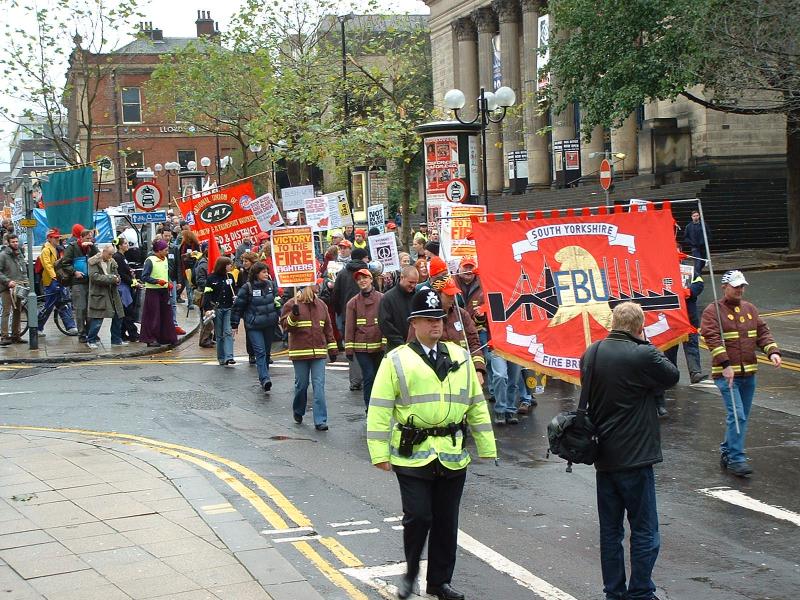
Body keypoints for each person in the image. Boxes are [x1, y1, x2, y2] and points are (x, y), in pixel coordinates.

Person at [367, 287, 497, 600]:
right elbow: (380, 408)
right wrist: (378, 453)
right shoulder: (396, 360)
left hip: (452, 453)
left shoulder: (459, 356)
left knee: (446, 522)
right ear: (414, 323)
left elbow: (475, 403)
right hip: (413, 455)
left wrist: (487, 445)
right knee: (419, 516)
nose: (436, 324)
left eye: (439, 318)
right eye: (428, 320)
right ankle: (411, 572)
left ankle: (439, 582)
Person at [584, 302, 679, 600]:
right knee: (644, 531)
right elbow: (672, 376)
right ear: (640, 327)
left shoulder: (593, 352)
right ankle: (640, 591)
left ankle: (614, 591)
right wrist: (646, 344)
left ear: (612, 323)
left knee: (610, 532)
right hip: (636, 457)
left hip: (604, 457)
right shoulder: (644, 354)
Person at [700, 270, 781, 477]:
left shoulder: (750, 309)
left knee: (741, 417)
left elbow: (762, 333)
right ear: (724, 287)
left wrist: (772, 351)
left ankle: (727, 451)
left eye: (742, 286)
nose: (740, 290)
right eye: (736, 286)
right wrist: (726, 365)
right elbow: (712, 338)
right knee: (738, 415)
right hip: (727, 374)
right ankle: (737, 458)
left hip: (749, 373)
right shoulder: (712, 311)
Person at [280, 282, 338, 430]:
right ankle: (298, 410)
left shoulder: (321, 305)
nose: (318, 285)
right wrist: (294, 315)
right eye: (315, 283)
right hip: (300, 352)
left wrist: (332, 349)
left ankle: (320, 420)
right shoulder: (291, 304)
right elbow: (286, 328)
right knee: (302, 385)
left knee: (319, 386)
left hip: (318, 352)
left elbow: (328, 328)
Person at [232, 262, 280, 393]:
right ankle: (265, 379)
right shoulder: (247, 288)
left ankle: (265, 375)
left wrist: (280, 315)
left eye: (267, 272)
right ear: (256, 273)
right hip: (254, 326)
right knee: (260, 351)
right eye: (263, 272)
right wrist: (234, 324)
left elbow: (277, 302)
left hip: (269, 324)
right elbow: (238, 307)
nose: (266, 274)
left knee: (267, 353)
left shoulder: (271, 285)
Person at [344, 268, 384, 411]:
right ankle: (370, 408)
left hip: (379, 346)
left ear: (371, 279)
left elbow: (386, 322)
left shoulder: (382, 298)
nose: (362, 281)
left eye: (364, 278)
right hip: (362, 348)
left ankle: (380, 406)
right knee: (369, 376)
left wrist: (385, 343)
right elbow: (349, 327)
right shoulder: (352, 303)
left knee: (379, 378)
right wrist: (349, 348)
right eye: (359, 279)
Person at [333, 247, 370, 391]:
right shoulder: (368, 274)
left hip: (347, 317)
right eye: (366, 257)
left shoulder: (342, 274)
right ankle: (368, 376)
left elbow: (335, 295)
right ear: (362, 258)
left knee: (351, 346)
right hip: (368, 316)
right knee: (368, 346)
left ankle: (355, 380)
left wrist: (339, 312)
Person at [37, 228, 79, 336]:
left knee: (64, 302)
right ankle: (37, 327)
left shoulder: (57, 249)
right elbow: (48, 266)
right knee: (49, 306)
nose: (57, 239)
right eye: (55, 238)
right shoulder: (46, 250)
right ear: (49, 238)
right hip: (51, 281)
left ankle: (71, 326)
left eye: (57, 237)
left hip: (58, 280)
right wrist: (54, 277)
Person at [61, 225, 98, 341]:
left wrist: (93, 247)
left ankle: (91, 333)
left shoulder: (92, 247)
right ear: (81, 238)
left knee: (91, 309)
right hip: (78, 282)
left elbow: (99, 257)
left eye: (91, 238)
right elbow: (65, 263)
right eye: (87, 238)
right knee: (80, 308)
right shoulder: (72, 247)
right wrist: (74, 272)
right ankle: (81, 334)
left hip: (90, 281)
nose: (89, 240)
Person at [139, 240, 178, 348]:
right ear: (159, 250)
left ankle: (166, 337)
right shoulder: (150, 260)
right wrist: (156, 281)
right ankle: (151, 339)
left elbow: (165, 274)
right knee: (153, 315)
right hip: (153, 291)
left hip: (164, 290)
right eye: (165, 250)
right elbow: (144, 277)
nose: (167, 252)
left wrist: (168, 282)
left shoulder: (165, 259)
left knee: (166, 314)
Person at [85, 244, 124, 349]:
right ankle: (91, 340)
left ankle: (116, 339)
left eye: (112, 254)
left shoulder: (112, 261)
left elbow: (117, 275)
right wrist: (112, 278)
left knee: (118, 316)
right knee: (98, 318)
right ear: (104, 251)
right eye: (109, 254)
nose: (110, 256)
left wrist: (117, 279)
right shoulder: (93, 261)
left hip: (112, 293)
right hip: (99, 294)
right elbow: (94, 277)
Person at [203, 256, 238, 366]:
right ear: (223, 266)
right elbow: (207, 294)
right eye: (229, 264)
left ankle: (229, 356)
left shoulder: (231, 277)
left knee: (228, 331)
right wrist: (207, 309)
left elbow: (235, 291)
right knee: (219, 334)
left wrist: (236, 298)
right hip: (217, 309)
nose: (231, 266)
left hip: (228, 308)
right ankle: (221, 357)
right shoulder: (211, 278)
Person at [379, 266, 419, 351]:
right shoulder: (388, 298)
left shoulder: (418, 296)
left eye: (415, 283)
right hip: (396, 347)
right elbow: (385, 323)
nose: (413, 286)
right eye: (411, 282)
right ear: (402, 277)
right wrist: (401, 343)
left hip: (417, 346)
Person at [0, 234, 28, 345]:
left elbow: (23, 270)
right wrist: (8, 281)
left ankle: (16, 335)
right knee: (7, 311)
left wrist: (26, 281)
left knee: (18, 311)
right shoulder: (3, 255)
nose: (15, 243)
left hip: (19, 286)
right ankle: (4, 336)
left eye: (16, 241)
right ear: (8, 243)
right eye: (13, 242)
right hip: (6, 288)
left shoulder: (19, 254)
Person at [112, 237, 139, 343]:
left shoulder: (122, 256)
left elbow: (125, 270)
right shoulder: (118, 257)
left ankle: (123, 334)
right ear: (120, 246)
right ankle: (132, 333)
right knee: (127, 311)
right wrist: (132, 282)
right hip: (123, 288)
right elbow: (122, 273)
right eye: (125, 243)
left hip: (126, 287)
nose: (127, 245)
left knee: (126, 311)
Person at [683, 210, 710, 275]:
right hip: (695, 247)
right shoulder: (689, 226)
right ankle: (697, 276)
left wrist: (706, 241)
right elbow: (685, 237)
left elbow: (708, 234)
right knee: (698, 261)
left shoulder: (703, 224)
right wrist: (691, 243)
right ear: (691, 217)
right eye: (694, 216)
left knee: (703, 262)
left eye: (697, 215)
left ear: (699, 216)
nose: (696, 217)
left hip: (703, 247)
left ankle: (697, 273)